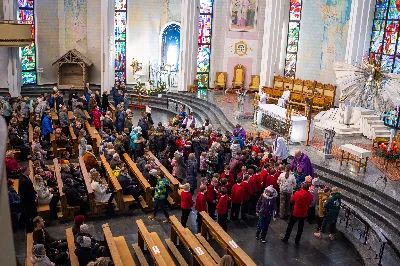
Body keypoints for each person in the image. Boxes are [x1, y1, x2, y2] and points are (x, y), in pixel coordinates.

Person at [19, 166, 37, 233]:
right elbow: (27, 193)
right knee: (29, 215)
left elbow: (31, 188)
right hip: (27, 202)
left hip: (28, 200)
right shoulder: (24, 181)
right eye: (28, 170)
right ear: (25, 171)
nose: (30, 171)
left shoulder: (24, 177)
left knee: (30, 214)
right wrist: (34, 197)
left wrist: (35, 193)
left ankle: (32, 227)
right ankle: (30, 229)